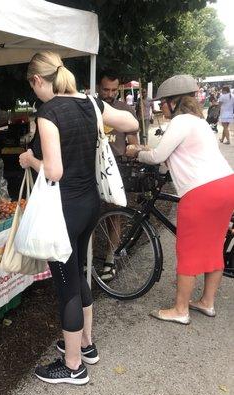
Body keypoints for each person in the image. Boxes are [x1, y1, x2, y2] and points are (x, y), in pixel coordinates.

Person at [18, 51, 138, 385]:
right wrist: (102, 120)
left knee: (67, 286)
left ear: (38, 80)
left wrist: (30, 160)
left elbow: (54, 170)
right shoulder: (91, 103)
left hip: (63, 210)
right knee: (81, 274)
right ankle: (86, 344)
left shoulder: (48, 112)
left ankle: (73, 367)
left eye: (34, 87)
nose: (36, 93)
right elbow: (132, 124)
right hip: (90, 205)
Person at [126, 75, 234, 324]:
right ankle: (207, 302)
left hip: (202, 192)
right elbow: (174, 158)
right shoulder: (198, 123)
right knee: (215, 245)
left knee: (188, 250)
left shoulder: (181, 121)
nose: (160, 108)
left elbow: (157, 156)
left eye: (162, 103)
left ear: (174, 102)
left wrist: (136, 152)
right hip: (226, 185)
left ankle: (180, 310)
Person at [98, 71, 140, 279]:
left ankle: (110, 258)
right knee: (92, 214)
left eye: (114, 90)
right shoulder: (92, 106)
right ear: (98, 87)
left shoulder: (125, 108)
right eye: (106, 89)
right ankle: (87, 258)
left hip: (118, 167)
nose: (110, 94)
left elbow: (133, 139)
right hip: (94, 167)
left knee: (114, 215)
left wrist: (135, 148)